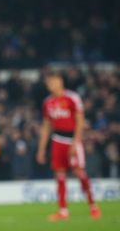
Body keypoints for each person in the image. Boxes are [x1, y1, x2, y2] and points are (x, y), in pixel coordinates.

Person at [36, 71, 101, 220]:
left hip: (72, 140)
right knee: (59, 175)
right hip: (57, 140)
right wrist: (41, 149)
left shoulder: (72, 98)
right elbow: (46, 126)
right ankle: (63, 210)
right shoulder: (48, 102)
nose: (49, 85)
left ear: (60, 82)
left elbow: (80, 121)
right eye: (48, 83)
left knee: (79, 172)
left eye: (52, 82)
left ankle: (93, 205)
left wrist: (76, 142)